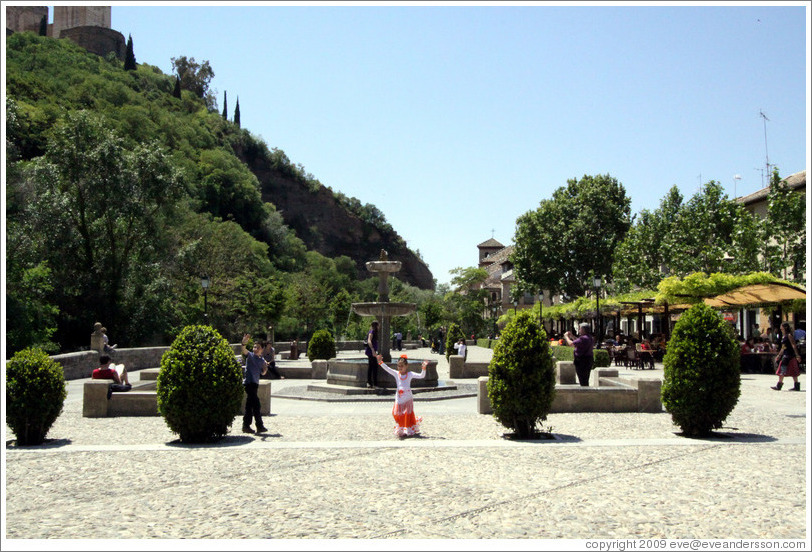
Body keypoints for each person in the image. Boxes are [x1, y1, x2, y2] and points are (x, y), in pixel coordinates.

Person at [376, 353, 428, 437]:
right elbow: (388, 369)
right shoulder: (396, 374)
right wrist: (380, 362)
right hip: (399, 398)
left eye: (402, 366)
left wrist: (424, 368)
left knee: (407, 415)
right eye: (398, 366)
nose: (400, 368)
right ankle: (401, 427)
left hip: (408, 398)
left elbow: (421, 376)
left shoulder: (410, 374)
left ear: (406, 366)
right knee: (396, 413)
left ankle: (407, 429)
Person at [241, 334, 268, 433]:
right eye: (254, 347)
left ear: (262, 349)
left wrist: (265, 369)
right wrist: (244, 342)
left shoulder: (261, 360)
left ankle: (246, 426)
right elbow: (244, 350)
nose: (255, 349)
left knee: (249, 405)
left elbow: (263, 372)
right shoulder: (251, 356)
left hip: (255, 384)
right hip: (249, 383)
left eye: (258, 347)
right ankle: (259, 426)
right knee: (256, 405)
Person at [771, 322, 802, 391]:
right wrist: (779, 355)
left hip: (789, 355)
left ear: (784, 327)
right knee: (791, 370)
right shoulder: (784, 336)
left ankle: (779, 385)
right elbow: (783, 347)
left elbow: (793, 345)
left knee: (782, 369)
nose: (780, 327)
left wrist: (797, 355)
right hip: (786, 354)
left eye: (781, 326)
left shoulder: (789, 335)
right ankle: (796, 385)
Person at [364, 321, 380, 388]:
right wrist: (373, 349)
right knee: (374, 367)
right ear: (376, 326)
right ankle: (373, 383)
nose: (379, 327)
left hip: (372, 352)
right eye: (378, 326)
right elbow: (369, 341)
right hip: (371, 352)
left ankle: (370, 383)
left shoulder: (373, 332)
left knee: (372, 367)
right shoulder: (372, 332)